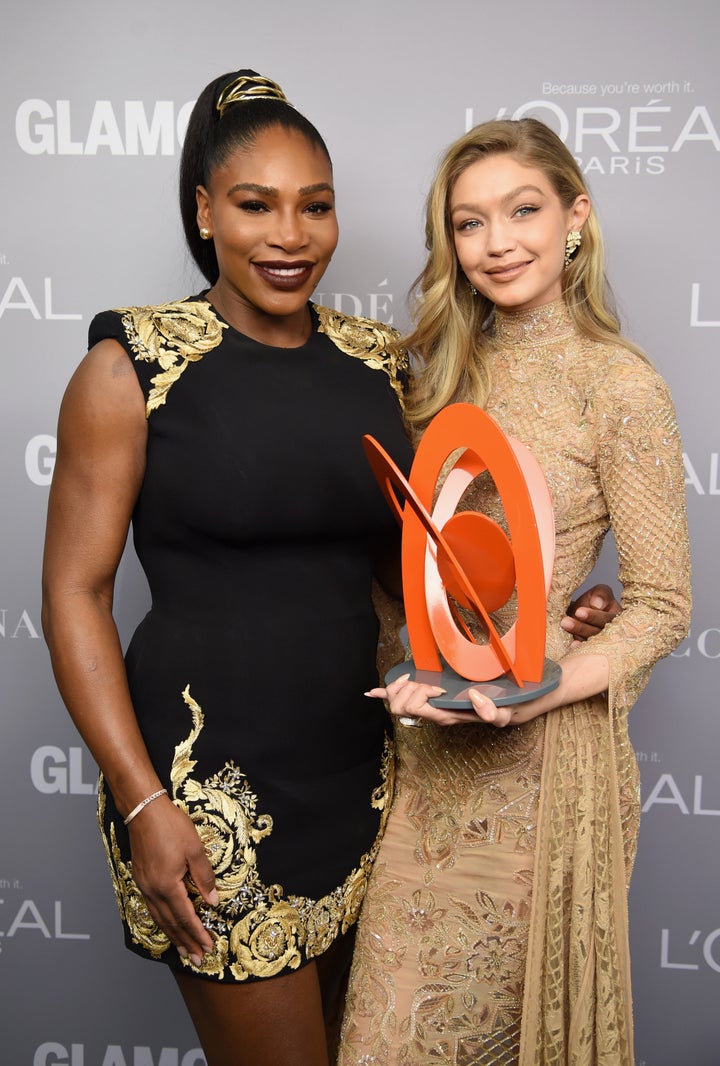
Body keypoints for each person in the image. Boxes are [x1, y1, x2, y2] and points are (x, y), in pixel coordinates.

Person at [41, 70, 618, 1065]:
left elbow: (422, 576)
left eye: (316, 205)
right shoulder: (131, 362)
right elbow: (74, 594)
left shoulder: (376, 363)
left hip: (373, 791)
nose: (289, 234)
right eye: (255, 205)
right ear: (204, 211)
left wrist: (556, 609)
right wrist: (143, 802)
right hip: (205, 795)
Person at [338, 118, 691, 1066]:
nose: (498, 243)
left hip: (542, 780)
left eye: (523, 211)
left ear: (575, 218)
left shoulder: (619, 385)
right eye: (469, 222)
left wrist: (542, 675)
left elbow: (662, 603)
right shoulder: (433, 379)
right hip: (431, 761)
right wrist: (414, 665)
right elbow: (417, 574)